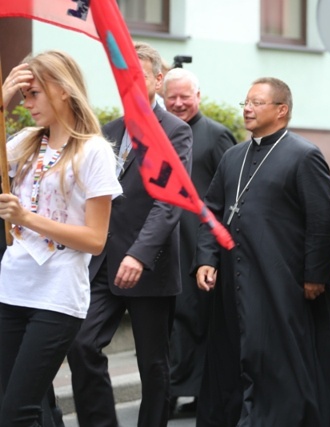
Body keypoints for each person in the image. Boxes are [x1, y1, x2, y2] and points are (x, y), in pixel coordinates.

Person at [194, 77, 330, 426]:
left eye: (257, 102)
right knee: (236, 356)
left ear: (281, 110)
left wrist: (315, 274)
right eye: (246, 102)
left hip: (280, 280)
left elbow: (324, 219)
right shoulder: (233, 156)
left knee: (274, 360)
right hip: (233, 281)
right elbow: (211, 211)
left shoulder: (303, 155)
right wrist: (206, 259)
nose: (247, 108)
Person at [66, 42, 193, 427]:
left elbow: (170, 203)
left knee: (153, 364)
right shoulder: (108, 130)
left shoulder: (175, 131)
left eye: (136, 76)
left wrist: (139, 254)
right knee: (81, 344)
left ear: (157, 78)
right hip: (103, 261)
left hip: (147, 265)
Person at [0, 50, 122, 426]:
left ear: (62, 90)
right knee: (25, 407)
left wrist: (27, 218)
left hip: (57, 295)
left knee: (16, 413)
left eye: (34, 93)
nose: (28, 103)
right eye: (23, 96)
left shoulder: (94, 151)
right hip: (12, 287)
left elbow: (95, 239)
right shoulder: (23, 143)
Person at [162, 67, 236, 415]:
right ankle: (170, 387)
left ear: (199, 96)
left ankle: (195, 389)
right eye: (171, 96)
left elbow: (230, 192)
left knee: (196, 317)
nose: (178, 103)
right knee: (168, 319)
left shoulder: (217, 135)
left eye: (184, 96)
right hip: (164, 239)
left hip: (200, 242)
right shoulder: (157, 134)